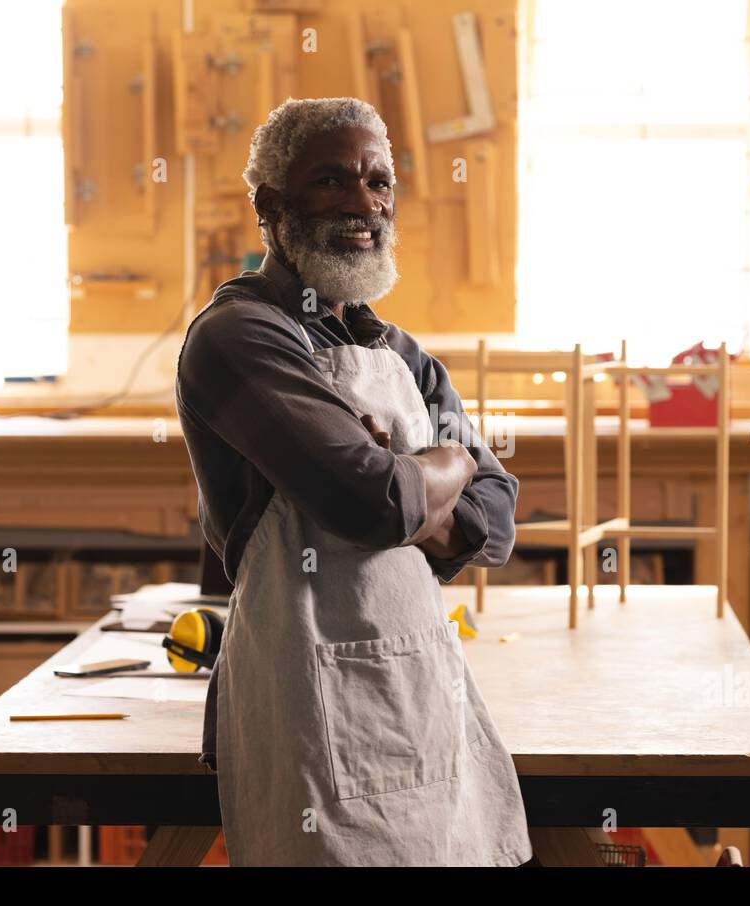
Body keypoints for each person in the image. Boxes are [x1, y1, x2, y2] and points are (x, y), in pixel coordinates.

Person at [175, 97, 533, 866]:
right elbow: (368, 501)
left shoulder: (396, 347)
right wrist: (449, 464)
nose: (364, 202)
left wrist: (423, 473)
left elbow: (498, 518)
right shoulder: (239, 336)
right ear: (271, 207)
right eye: (332, 181)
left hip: (416, 690)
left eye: (380, 181)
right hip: (302, 691)